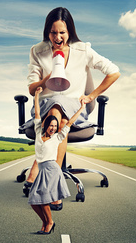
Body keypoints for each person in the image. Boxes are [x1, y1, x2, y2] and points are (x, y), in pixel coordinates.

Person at [21, 7, 120, 209]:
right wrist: (51, 76)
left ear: (70, 31)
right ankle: (53, 189)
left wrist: (92, 96)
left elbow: (114, 72)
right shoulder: (37, 51)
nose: (57, 37)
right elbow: (32, 90)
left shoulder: (83, 50)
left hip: (75, 106)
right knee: (59, 114)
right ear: (47, 32)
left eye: (62, 32)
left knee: (61, 111)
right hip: (45, 105)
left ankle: (38, 169)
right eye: (53, 32)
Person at [28, 86, 86, 234]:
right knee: (34, 202)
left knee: (43, 201)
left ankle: (49, 223)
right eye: (51, 126)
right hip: (42, 170)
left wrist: (80, 109)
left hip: (52, 170)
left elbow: (70, 122)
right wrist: (36, 95)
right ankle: (46, 222)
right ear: (46, 125)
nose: (53, 128)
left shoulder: (57, 137)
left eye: (55, 126)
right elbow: (37, 113)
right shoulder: (38, 132)